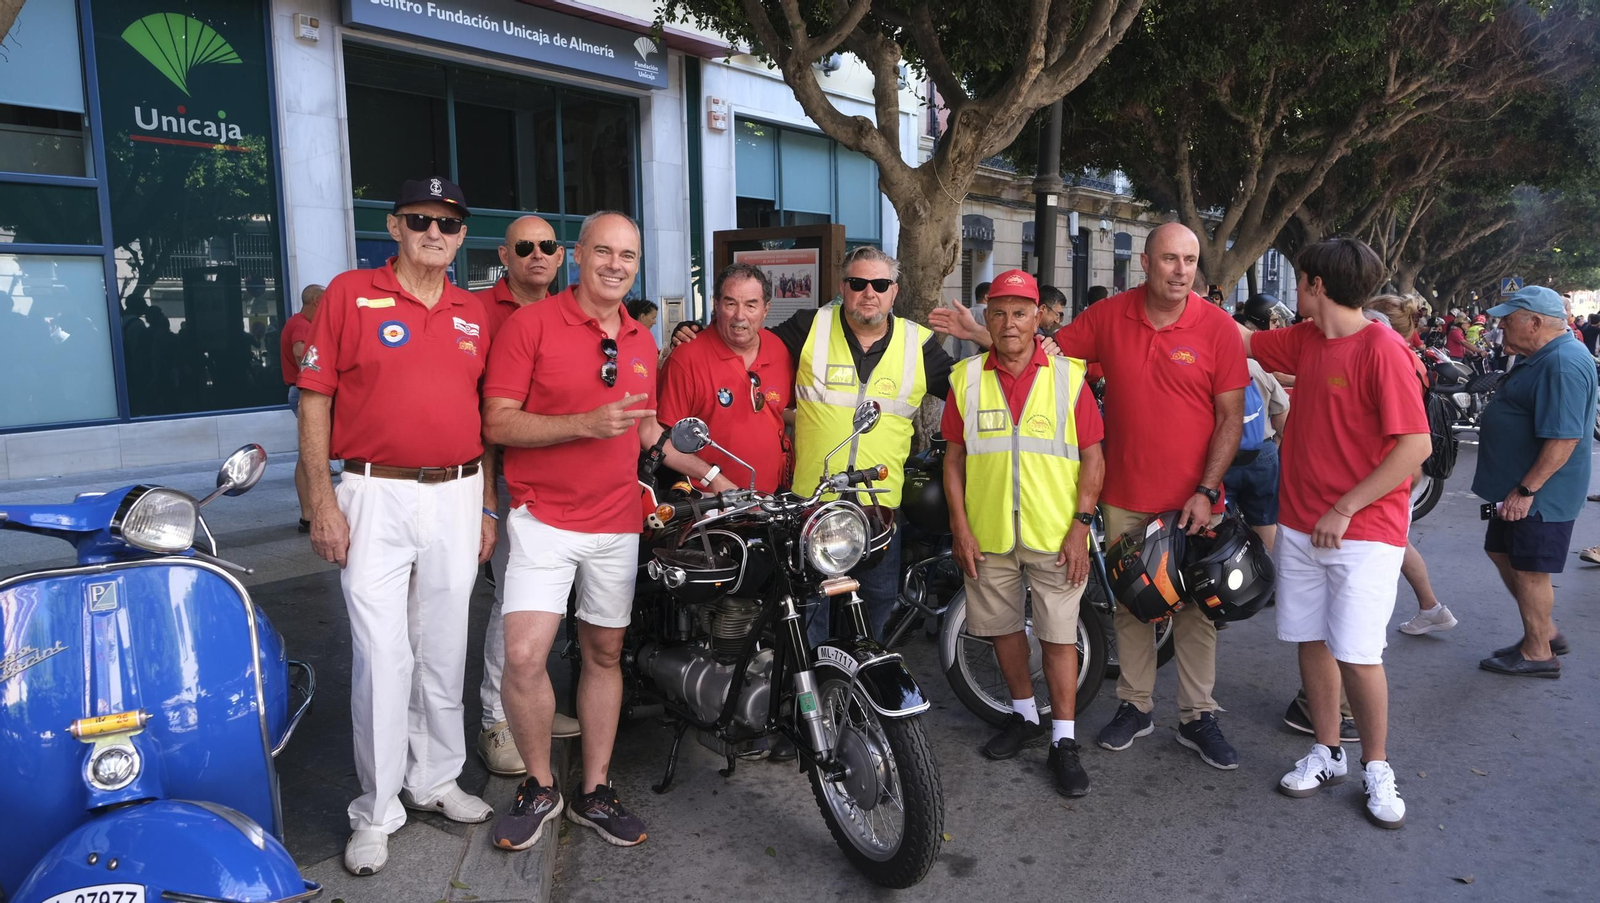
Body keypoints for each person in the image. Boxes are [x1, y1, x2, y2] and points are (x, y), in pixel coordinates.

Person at [932, 223, 1248, 770]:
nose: (1180, 270)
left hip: (1193, 501)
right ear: (1145, 263)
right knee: (1131, 606)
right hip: (1123, 494)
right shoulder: (1107, 316)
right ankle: (1135, 705)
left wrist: (1206, 489)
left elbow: (1230, 418)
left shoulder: (1217, 328)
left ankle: (1198, 715)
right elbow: (1037, 355)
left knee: (1194, 608)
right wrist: (983, 333)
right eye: (1170, 258)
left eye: (1190, 260)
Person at [482, 212, 735, 853]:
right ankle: (539, 785)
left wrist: (712, 476)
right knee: (522, 656)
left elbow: (645, 430)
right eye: (604, 252)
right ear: (577, 256)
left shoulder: (642, 340)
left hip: (618, 524)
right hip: (541, 518)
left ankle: (595, 788)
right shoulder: (529, 325)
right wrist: (582, 424)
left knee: (603, 654)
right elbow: (498, 424)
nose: (616, 265)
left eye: (628, 255)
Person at [297, 178, 497, 875]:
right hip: (372, 492)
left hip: (458, 491)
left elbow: (486, 419)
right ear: (395, 226)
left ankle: (436, 777)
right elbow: (314, 401)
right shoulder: (350, 294)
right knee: (383, 656)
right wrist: (322, 500)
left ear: (462, 235)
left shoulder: (476, 310)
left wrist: (487, 505)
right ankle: (377, 807)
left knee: (444, 645)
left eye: (448, 222)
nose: (435, 232)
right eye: (421, 219)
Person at [670, 247, 956, 644]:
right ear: (843, 287)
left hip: (879, 505)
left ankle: (854, 685)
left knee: (877, 599)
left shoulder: (918, 344)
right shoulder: (810, 326)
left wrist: (991, 341)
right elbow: (747, 337)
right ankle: (812, 694)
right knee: (809, 606)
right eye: (857, 283)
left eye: (879, 284)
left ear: (894, 291)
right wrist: (695, 332)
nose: (868, 293)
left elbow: (971, 392)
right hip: (812, 501)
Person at [1240, 239, 1432, 830]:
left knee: (1357, 652)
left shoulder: (1382, 349)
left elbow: (1415, 448)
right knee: (1311, 639)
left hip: (1363, 531)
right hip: (1300, 524)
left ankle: (1376, 766)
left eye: (1300, 282)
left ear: (1317, 285)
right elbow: (1242, 340)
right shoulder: (1304, 339)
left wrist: (1345, 508)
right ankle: (1327, 752)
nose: (1294, 292)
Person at [941, 270, 1105, 797]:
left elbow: (1093, 459)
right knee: (1003, 632)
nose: (1008, 322)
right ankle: (1023, 716)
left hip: (1056, 535)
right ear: (985, 318)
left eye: (1019, 312)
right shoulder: (965, 379)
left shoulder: (1069, 378)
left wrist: (1080, 527)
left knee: (1059, 637)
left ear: (1039, 317)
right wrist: (960, 528)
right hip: (987, 537)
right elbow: (953, 460)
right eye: (998, 311)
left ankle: (1063, 739)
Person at [474, 216, 580, 779]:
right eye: (524, 247)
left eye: (547, 246)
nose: (536, 255)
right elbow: (484, 418)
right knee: (513, 601)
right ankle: (496, 719)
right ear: (505, 254)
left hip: (562, 482)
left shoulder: (569, 311)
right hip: (505, 480)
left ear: (561, 257)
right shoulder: (479, 312)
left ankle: (530, 707)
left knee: (550, 599)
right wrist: (488, 500)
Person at [1472, 285, 1597, 678]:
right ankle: (1543, 632)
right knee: (1501, 552)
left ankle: (1539, 651)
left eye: (1508, 321)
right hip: (1517, 488)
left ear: (1535, 323)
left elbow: (1564, 438)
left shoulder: (1561, 363)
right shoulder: (1542, 356)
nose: (1500, 328)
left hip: (1537, 493)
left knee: (1529, 569)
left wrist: (1526, 491)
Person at [658, 263, 793, 494]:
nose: (740, 316)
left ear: (766, 309)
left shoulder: (778, 349)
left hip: (770, 501)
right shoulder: (687, 358)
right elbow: (661, 441)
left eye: (751, 305)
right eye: (731, 304)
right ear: (716, 304)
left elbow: (779, 411)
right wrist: (713, 479)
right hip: (709, 503)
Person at [1226, 301, 1290, 550]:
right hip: (1262, 452)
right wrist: (1277, 444)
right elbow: (1282, 411)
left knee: (1219, 520)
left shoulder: (1212, 365)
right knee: (1265, 521)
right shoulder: (1259, 366)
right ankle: (1270, 578)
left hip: (1222, 456)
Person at [281, 283, 323, 533]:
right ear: (316, 300)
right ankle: (309, 513)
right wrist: (316, 376)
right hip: (305, 391)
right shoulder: (301, 324)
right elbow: (300, 352)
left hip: (301, 390)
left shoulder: (299, 323)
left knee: (310, 452)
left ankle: (310, 512)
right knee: (311, 452)